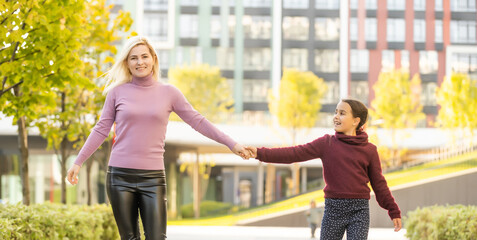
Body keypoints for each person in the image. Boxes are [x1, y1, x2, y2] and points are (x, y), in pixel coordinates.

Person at [66, 36, 250, 240]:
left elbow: (198, 122)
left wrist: (231, 144)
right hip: (119, 176)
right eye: (133, 58)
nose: (140, 62)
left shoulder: (169, 92)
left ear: (153, 58)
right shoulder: (116, 93)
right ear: (127, 63)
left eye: (144, 56)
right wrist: (78, 162)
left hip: (153, 178)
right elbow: (101, 129)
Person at [245, 99, 402, 240]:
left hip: (359, 210)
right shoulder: (326, 144)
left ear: (356, 121)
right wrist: (259, 153)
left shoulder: (369, 150)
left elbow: (379, 184)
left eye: (342, 113)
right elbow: (293, 153)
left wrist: (393, 210)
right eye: (335, 112)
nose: (336, 116)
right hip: (333, 209)